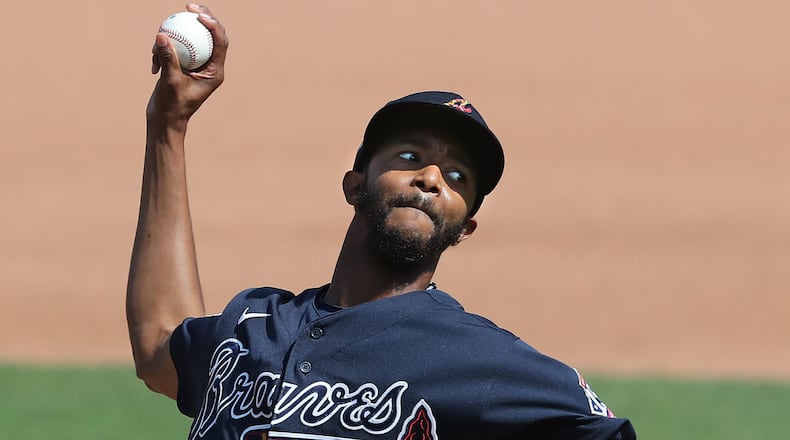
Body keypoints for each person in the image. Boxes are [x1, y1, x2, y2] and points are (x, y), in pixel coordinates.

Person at [127, 5, 637, 440]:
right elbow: (158, 345)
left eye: (457, 175)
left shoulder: (481, 361)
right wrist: (168, 125)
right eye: (411, 155)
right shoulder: (253, 323)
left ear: (464, 229)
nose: (432, 176)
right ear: (354, 186)